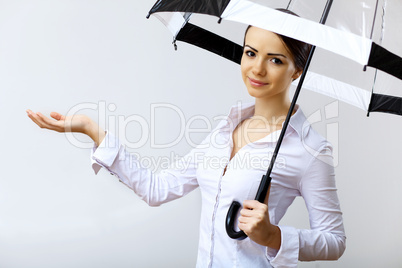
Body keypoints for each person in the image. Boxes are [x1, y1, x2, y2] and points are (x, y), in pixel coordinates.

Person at [27, 13, 345, 268]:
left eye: (275, 59)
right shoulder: (224, 131)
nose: (257, 68)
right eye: (250, 52)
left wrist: (274, 236)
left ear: (296, 70)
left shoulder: (310, 150)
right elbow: (157, 188)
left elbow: (334, 241)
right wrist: (91, 130)